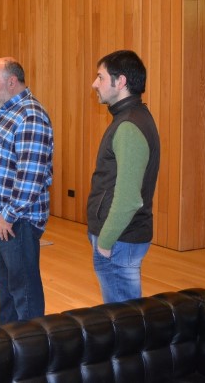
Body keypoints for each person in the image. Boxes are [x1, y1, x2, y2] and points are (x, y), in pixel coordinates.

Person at [0, 57, 54, 325]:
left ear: (11, 82)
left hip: (16, 220)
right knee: (5, 280)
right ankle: (5, 335)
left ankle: (31, 345)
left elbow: (31, 176)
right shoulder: (8, 111)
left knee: (23, 286)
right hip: (1, 217)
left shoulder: (30, 116)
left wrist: (9, 214)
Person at [87, 50, 160, 303]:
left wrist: (105, 241)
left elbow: (128, 197)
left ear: (121, 82)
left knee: (123, 321)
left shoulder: (129, 125)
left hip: (119, 239)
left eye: (101, 77)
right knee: (124, 319)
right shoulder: (130, 118)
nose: (94, 84)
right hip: (121, 238)